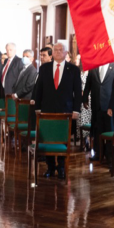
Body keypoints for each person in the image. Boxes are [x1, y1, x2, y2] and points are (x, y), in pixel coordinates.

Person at [33, 42, 82, 179]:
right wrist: (37, 107)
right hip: (47, 110)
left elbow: (77, 92)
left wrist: (76, 110)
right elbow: (39, 89)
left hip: (65, 111)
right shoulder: (44, 68)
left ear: (66, 53)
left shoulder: (73, 69)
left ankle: (61, 168)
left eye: (61, 50)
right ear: (52, 52)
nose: (58, 52)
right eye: (56, 50)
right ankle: (50, 167)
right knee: (48, 139)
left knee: (62, 140)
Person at [83, 61, 114, 161]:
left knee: (109, 131)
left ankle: (110, 155)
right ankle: (98, 154)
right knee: (97, 131)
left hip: (110, 106)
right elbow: (88, 83)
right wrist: (84, 98)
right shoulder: (93, 66)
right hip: (96, 104)